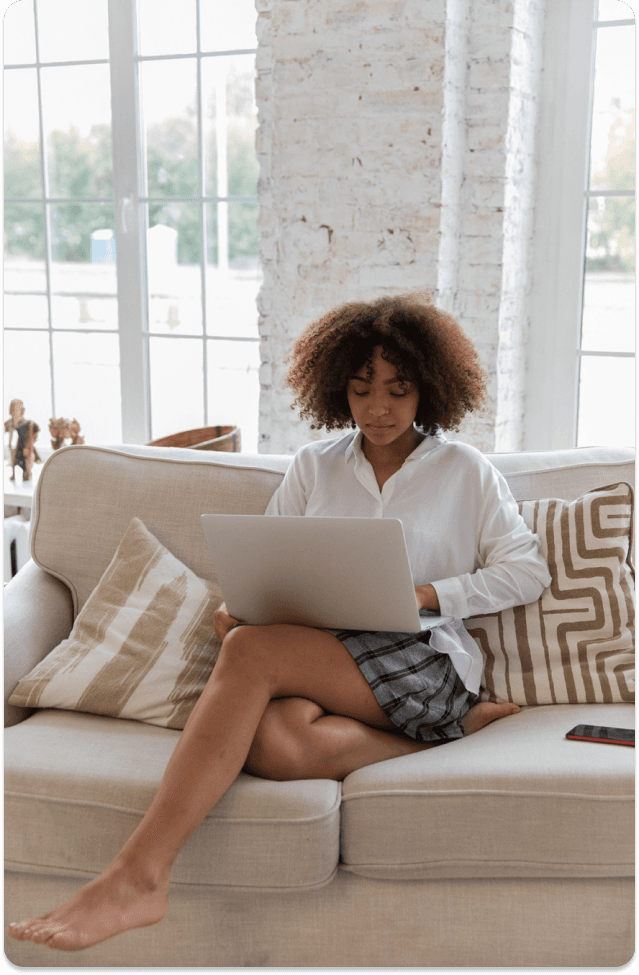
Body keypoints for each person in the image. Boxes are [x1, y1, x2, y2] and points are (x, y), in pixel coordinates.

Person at [8, 292, 551, 951]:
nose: (378, 408)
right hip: (323, 654)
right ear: (336, 390)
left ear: (428, 391)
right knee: (275, 743)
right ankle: (446, 738)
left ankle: (136, 874)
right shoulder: (312, 466)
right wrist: (238, 605)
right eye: (360, 389)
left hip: (422, 659)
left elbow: (526, 570)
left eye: (398, 390)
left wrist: (428, 592)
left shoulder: (466, 471)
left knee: (251, 653)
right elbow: (262, 563)